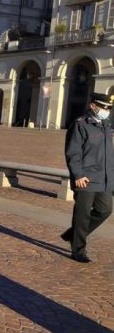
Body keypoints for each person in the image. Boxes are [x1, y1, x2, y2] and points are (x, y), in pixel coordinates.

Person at [61, 92, 114, 263]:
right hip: (86, 178)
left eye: (109, 108)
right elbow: (73, 152)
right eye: (105, 107)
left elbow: (108, 154)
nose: (107, 110)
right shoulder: (80, 124)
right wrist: (78, 174)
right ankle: (78, 250)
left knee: (105, 210)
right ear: (93, 106)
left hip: (104, 178)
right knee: (82, 215)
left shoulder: (105, 124)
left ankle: (73, 233)